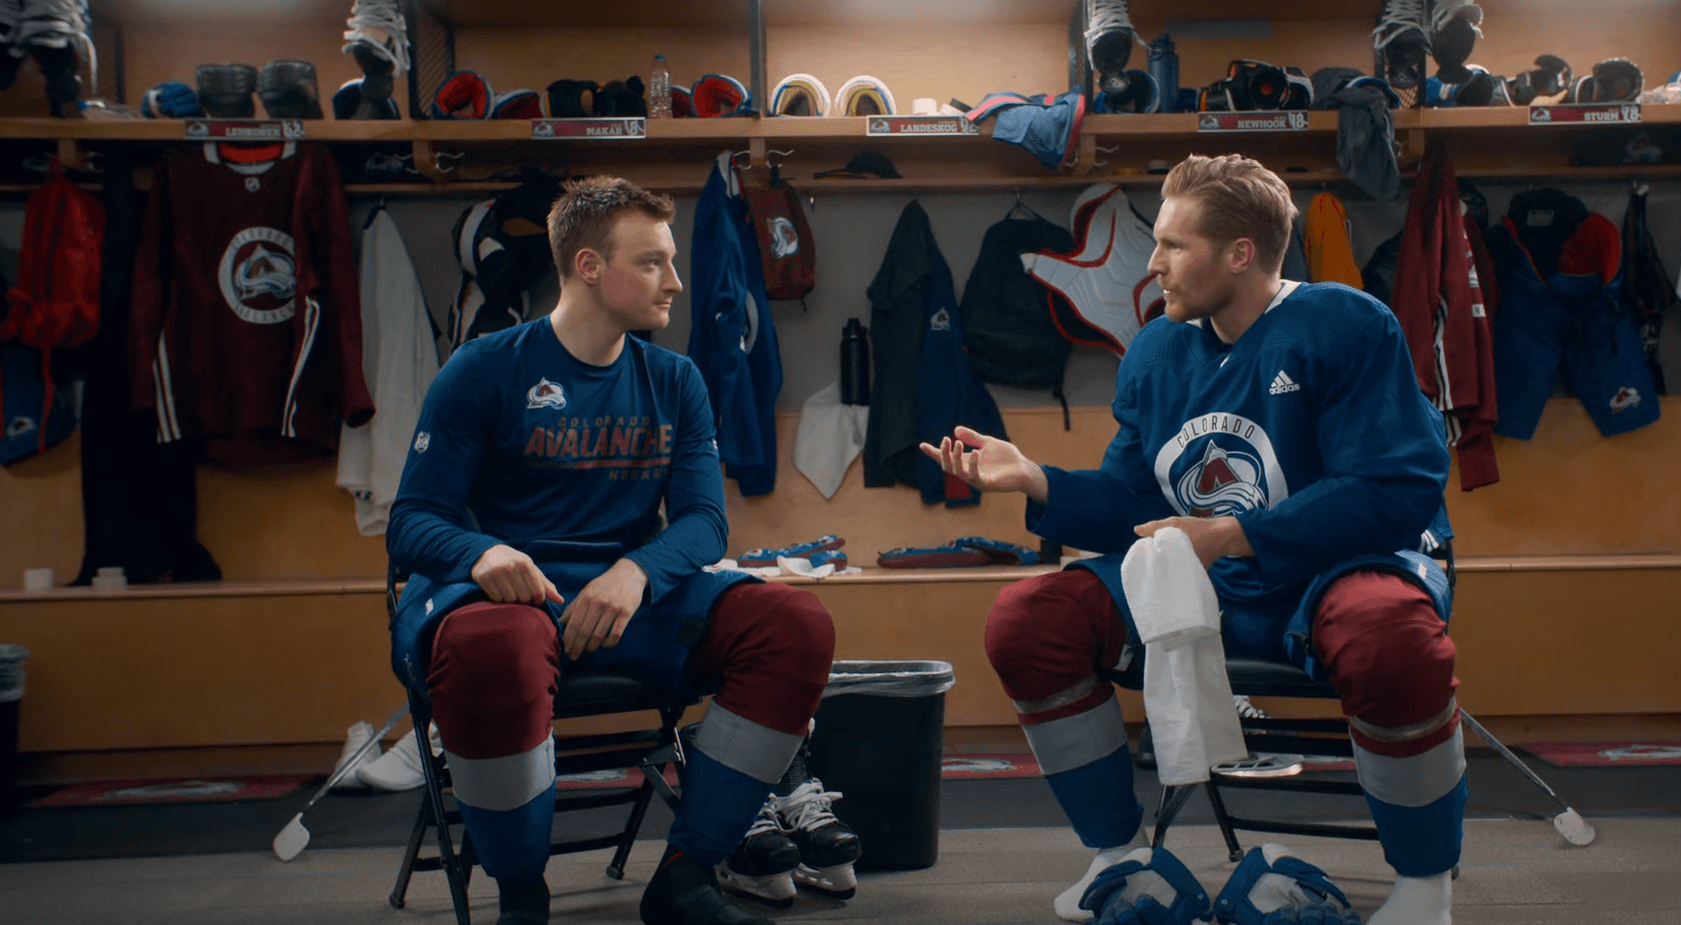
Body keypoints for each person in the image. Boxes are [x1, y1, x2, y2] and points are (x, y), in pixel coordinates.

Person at [923, 154, 1463, 925]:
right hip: (1210, 578)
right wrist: (1035, 479)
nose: (1152, 263)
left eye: (1173, 245)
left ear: (1238, 253)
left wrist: (1235, 533)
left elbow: (1395, 490)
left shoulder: (1347, 325)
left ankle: (1423, 882)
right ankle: (1116, 856)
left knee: (1392, 638)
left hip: (1336, 572)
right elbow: (1129, 505)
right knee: (1029, 618)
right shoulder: (1155, 350)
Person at [387, 176, 835, 925]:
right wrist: (479, 552)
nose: (676, 280)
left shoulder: (674, 378)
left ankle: (689, 873)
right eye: (653, 261)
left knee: (795, 626)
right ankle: (521, 891)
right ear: (590, 267)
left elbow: (702, 524)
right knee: (492, 647)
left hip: (620, 604)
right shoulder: (483, 366)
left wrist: (634, 571)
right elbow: (412, 522)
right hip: (506, 604)